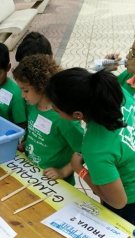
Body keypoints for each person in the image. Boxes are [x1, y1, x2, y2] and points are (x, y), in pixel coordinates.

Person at [46, 68, 135, 228]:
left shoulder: (95, 147)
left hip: (132, 202)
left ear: (77, 115)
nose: (53, 111)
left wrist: (79, 169)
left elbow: (118, 202)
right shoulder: (117, 94)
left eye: (56, 110)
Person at [12, 55, 83, 184]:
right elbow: (35, 131)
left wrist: (63, 171)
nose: (22, 95)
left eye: (26, 90)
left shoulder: (63, 117)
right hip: (31, 173)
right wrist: (26, 144)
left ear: (41, 86)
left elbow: (84, 150)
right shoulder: (32, 106)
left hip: (55, 182)